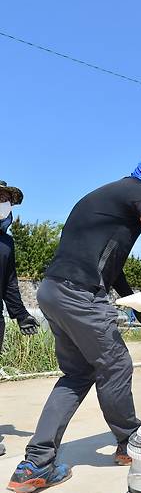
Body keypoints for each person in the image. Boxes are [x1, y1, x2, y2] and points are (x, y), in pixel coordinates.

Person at [8, 153, 141, 493]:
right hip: (80, 295)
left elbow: (111, 264)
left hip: (53, 290)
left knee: (77, 374)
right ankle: (130, 441)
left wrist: (134, 304)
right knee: (116, 365)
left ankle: (35, 463)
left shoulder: (102, 196)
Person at [0, 180, 39, 457]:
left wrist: (21, 314)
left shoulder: (6, 242)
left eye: (5, 199)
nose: (3, 203)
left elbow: (10, 283)